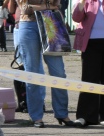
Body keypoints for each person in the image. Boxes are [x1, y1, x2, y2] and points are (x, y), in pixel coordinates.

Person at [16, 0, 74, 128]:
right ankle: (36, 117)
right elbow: (25, 8)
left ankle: (62, 113)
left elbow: (58, 5)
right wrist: (48, 6)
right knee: (33, 73)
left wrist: (41, 7)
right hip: (28, 25)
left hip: (50, 22)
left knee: (59, 73)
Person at [72, 0, 104, 127]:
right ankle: (84, 116)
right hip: (89, 44)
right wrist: (82, 3)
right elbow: (76, 17)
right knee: (89, 79)